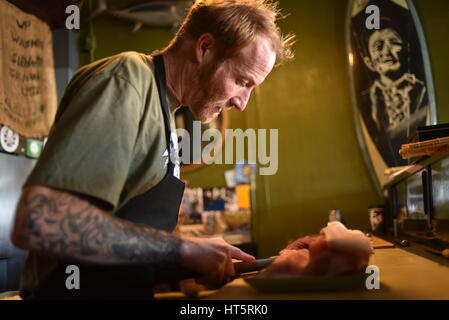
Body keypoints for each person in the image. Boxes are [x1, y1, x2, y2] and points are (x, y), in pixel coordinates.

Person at [10, 0, 294, 299]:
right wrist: (181, 248)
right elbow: (41, 221)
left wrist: (193, 258)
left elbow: (123, 238)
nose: (241, 102)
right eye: (241, 81)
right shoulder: (126, 79)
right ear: (205, 48)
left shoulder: (167, 112)